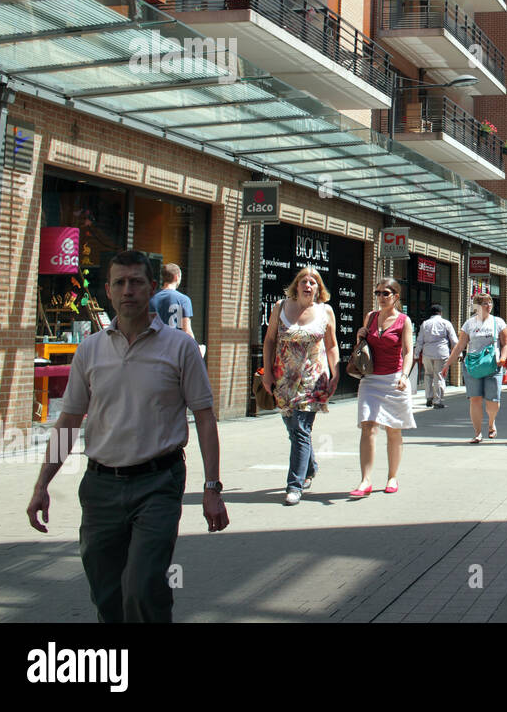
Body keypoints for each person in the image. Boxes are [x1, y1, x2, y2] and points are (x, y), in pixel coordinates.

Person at [26, 250, 229, 622]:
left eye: (136, 282)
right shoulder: (90, 349)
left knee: (143, 587)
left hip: (158, 483)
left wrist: (212, 487)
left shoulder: (179, 347)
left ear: (152, 287)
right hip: (100, 486)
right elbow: (68, 420)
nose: (127, 290)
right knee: (106, 595)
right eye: (119, 283)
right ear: (107, 290)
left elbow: (204, 418)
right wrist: (42, 485)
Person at [263, 267, 340, 505]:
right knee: (293, 429)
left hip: (313, 380)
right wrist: (266, 374)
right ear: (296, 285)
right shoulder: (280, 307)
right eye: (304, 281)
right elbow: (269, 341)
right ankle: (310, 467)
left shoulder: (325, 311)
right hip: (284, 379)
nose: (308, 285)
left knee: (300, 429)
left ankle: (294, 486)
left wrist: (335, 373)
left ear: (319, 288)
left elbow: (331, 345)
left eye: (313, 282)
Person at [350, 278, 416, 497]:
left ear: (396, 296)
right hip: (371, 379)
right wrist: (360, 336)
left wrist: (405, 376)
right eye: (377, 292)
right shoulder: (370, 317)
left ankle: (392, 476)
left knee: (393, 429)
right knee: (368, 425)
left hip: (394, 379)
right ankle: (365, 480)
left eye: (385, 293)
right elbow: (363, 347)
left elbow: (408, 352)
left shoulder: (403, 321)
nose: (380, 297)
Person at [442, 293, 507, 443]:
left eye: (490, 302)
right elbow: (460, 346)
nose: (489, 305)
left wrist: (503, 358)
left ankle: (491, 423)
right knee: (475, 400)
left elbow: (506, 343)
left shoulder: (498, 322)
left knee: (493, 401)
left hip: (493, 366)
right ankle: (478, 432)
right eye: (485, 303)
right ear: (477, 306)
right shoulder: (469, 324)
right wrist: (447, 364)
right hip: (472, 366)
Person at [414, 303, 457, 408]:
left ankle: (428, 398)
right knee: (439, 376)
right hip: (441, 353)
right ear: (440, 313)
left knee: (428, 375)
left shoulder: (425, 324)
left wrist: (416, 354)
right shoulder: (446, 323)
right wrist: (457, 353)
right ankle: (437, 401)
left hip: (427, 353)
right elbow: (454, 340)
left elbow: (419, 340)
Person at [150, 263, 195, 342]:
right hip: (174, 347)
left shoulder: (150, 298)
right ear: (176, 277)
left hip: (153, 346)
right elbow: (187, 331)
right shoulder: (184, 300)